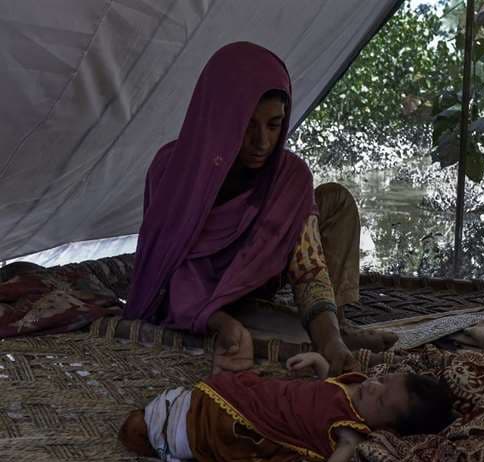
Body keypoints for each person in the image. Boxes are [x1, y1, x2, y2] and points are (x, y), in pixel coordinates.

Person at [123, 41, 394, 375]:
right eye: (247, 125)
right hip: (204, 297)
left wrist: (331, 344)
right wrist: (218, 320)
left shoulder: (288, 176)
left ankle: (335, 329)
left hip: (261, 279)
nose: (262, 143)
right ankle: (321, 332)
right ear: (218, 117)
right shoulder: (172, 170)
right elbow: (166, 271)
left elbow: (308, 267)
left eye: (274, 125)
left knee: (335, 199)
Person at [118, 352, 454, 462]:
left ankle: (164, 432)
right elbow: (327, 390)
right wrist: (319, 362)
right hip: (257, 395)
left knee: (204, 426)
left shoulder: (349, 433)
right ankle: (167, 418)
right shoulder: (358, 385)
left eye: (380, 401)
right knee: (202, 396)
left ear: (387, 429)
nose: (373, 387)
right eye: (384, 379)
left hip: (253, 423)